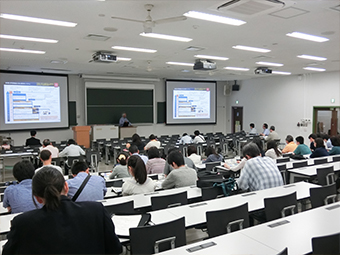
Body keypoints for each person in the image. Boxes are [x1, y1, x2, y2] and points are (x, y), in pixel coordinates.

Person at [2, 167, 122, 255]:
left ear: (37, 198)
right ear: (66, 186)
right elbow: (116, 249)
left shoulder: (22, 223)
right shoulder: (96, 210)